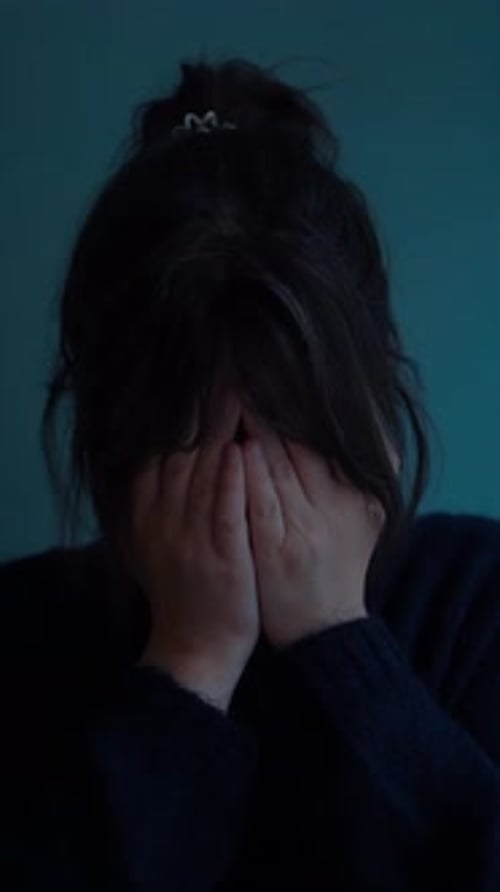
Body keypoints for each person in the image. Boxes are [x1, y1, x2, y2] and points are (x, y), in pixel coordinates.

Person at [2, 54, 499, 892]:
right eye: (199, 439)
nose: (249, 483)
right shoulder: (20, 633)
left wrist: (341, 642)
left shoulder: (479, 602)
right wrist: (188, 666)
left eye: (291, 429)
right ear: (111, 427)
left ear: (376, 389)